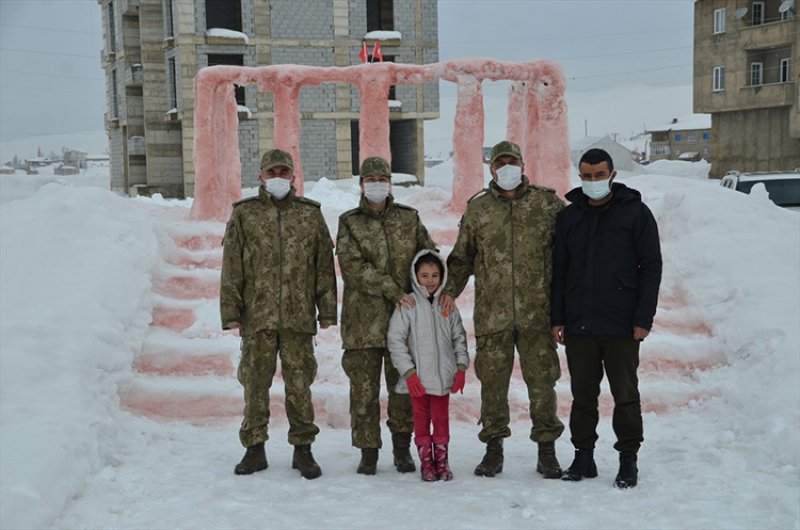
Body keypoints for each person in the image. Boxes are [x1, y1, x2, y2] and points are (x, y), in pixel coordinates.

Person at [441, 140, 565, 479]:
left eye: (512, 161)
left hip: (537, 314)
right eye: (500, 162)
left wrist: (566, 309)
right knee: (492, 384)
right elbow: (462, 257)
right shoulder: (479, 210)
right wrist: (449, 292)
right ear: (491, 168)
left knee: (542, 382)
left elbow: (567, 257)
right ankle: (493, 448)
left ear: (522, 164)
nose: (506, 167)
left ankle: (547, 450)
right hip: (493, 315)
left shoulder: (547, 204)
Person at [220, 148, 337, 479]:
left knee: (300, 384)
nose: (278, 178)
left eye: (283, 172)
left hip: (298, 316)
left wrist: (326, 309)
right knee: (255, 383)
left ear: (293, 176)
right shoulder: (245, 214)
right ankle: (254, 448)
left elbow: (323, 266)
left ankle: (303, 450)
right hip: (257, 315)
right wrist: (231, 311)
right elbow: (231, 265)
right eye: (271, 172)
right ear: (260, 177)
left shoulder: (309, 214)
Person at [551, 148, 662, 489]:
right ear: (580, 175)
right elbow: (560, 271)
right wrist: (558, 317)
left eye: (600, 175)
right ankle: (583, 456)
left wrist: (643, 317)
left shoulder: (636, 214)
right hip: (580, 323)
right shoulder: (569, 218)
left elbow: (651, 267)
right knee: (583, 395)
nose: (593, 181)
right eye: (587, 175)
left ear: (612, 175)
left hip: (622, 324)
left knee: (625, 395)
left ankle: (628, 459)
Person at [336, 156, 437, 475]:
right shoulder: (349, 222)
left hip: (403, 325)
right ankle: (368, 451)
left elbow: (429, 257)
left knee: (403, 390)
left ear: (390, 182)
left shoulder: (409, 219)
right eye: (371, 178)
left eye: (382, 178)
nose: (377, 183)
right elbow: (352, 268)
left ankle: (402, 448)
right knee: (363, 392)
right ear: (362, 184)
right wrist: (394, 289)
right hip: (362, 324)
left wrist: (427, 289)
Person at [387, 250, 470, 482]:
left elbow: (459, 339)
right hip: (419, 380)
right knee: (421, 419)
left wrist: (461, 367)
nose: (430, 280)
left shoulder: (448, 306)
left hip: (443, 379)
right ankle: (426, 462)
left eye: (435, 275)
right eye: (424, 275)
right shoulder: (408, 306)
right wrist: (409, 373)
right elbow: (395, 340)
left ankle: (442, 461)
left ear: (442, 277)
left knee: (441, 419)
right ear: (415, 276)